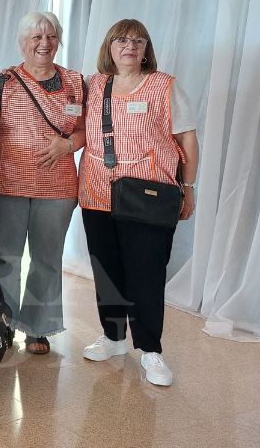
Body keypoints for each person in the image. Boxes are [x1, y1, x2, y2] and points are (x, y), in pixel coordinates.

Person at [78, 19, 199, 387]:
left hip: (148, 196)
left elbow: (188, 140)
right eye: (121, 40)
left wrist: (188, 186)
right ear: (109, 47)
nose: (129, 47)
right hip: (98, 192)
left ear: (146, 49)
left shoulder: (165, 86)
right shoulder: (95, 84)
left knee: (146, 272)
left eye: (137, 41)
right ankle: (113, 337)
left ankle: (150, 350)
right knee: (107, 268)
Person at [0, 11, 86, 355]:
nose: (45, 43)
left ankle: (37, 328)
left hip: (57, 186)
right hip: (8, 182)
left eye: (51, 36)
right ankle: (2, 325)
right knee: (6, 257)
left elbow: (84, 130)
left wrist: (67, 145)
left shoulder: (75, 82)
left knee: (47, 258)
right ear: (22, 42)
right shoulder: (4, 81)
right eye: (37, 37)